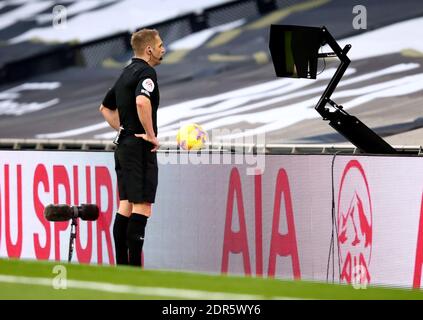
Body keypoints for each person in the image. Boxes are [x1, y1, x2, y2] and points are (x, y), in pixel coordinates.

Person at [99, 29, 165, 267]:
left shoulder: (125, 72)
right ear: (149, 49)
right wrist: (150, 135)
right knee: (142, 206)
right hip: (138, 147)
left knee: (125, 205)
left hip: (124, 145)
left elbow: (105, 108)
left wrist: (123, 129)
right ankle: (135, 269)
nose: (162, 49)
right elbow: (141, 100)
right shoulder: (147, 72)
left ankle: (122, 267)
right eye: (159, 45)